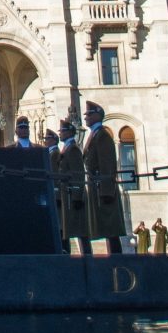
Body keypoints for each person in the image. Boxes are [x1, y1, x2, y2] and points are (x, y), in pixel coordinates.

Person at [81, 103, 127, 256]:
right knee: (105, 225)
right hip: (97, 186)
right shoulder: (94, 135)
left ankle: (115, 257)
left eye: (88, 115)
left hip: (103, 188)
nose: (85, 118)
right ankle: (112, 255)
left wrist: (106, 191)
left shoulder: (102, 136)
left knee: (110, 226)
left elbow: (107, 164)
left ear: (96, 115)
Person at [54, 121, 91, 255]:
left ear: (69, 132)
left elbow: (78, 174)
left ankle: (87, 256)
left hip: (73, 196)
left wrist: (77, 196)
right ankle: (68, 253)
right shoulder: (66, 148)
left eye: (62, 131)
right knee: (68, 228)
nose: (60, 133)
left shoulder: (73, 149)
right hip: (67, 195)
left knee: (79, 229)